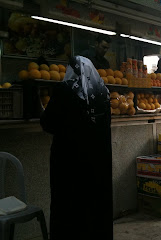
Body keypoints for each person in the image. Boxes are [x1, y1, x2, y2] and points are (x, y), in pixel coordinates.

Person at [40, 56, 112, 239]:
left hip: (69, 162)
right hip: (98, 161)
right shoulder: (103, 92)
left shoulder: (64, 90)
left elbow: (48, 123)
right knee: (95, 204)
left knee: (68, 205)